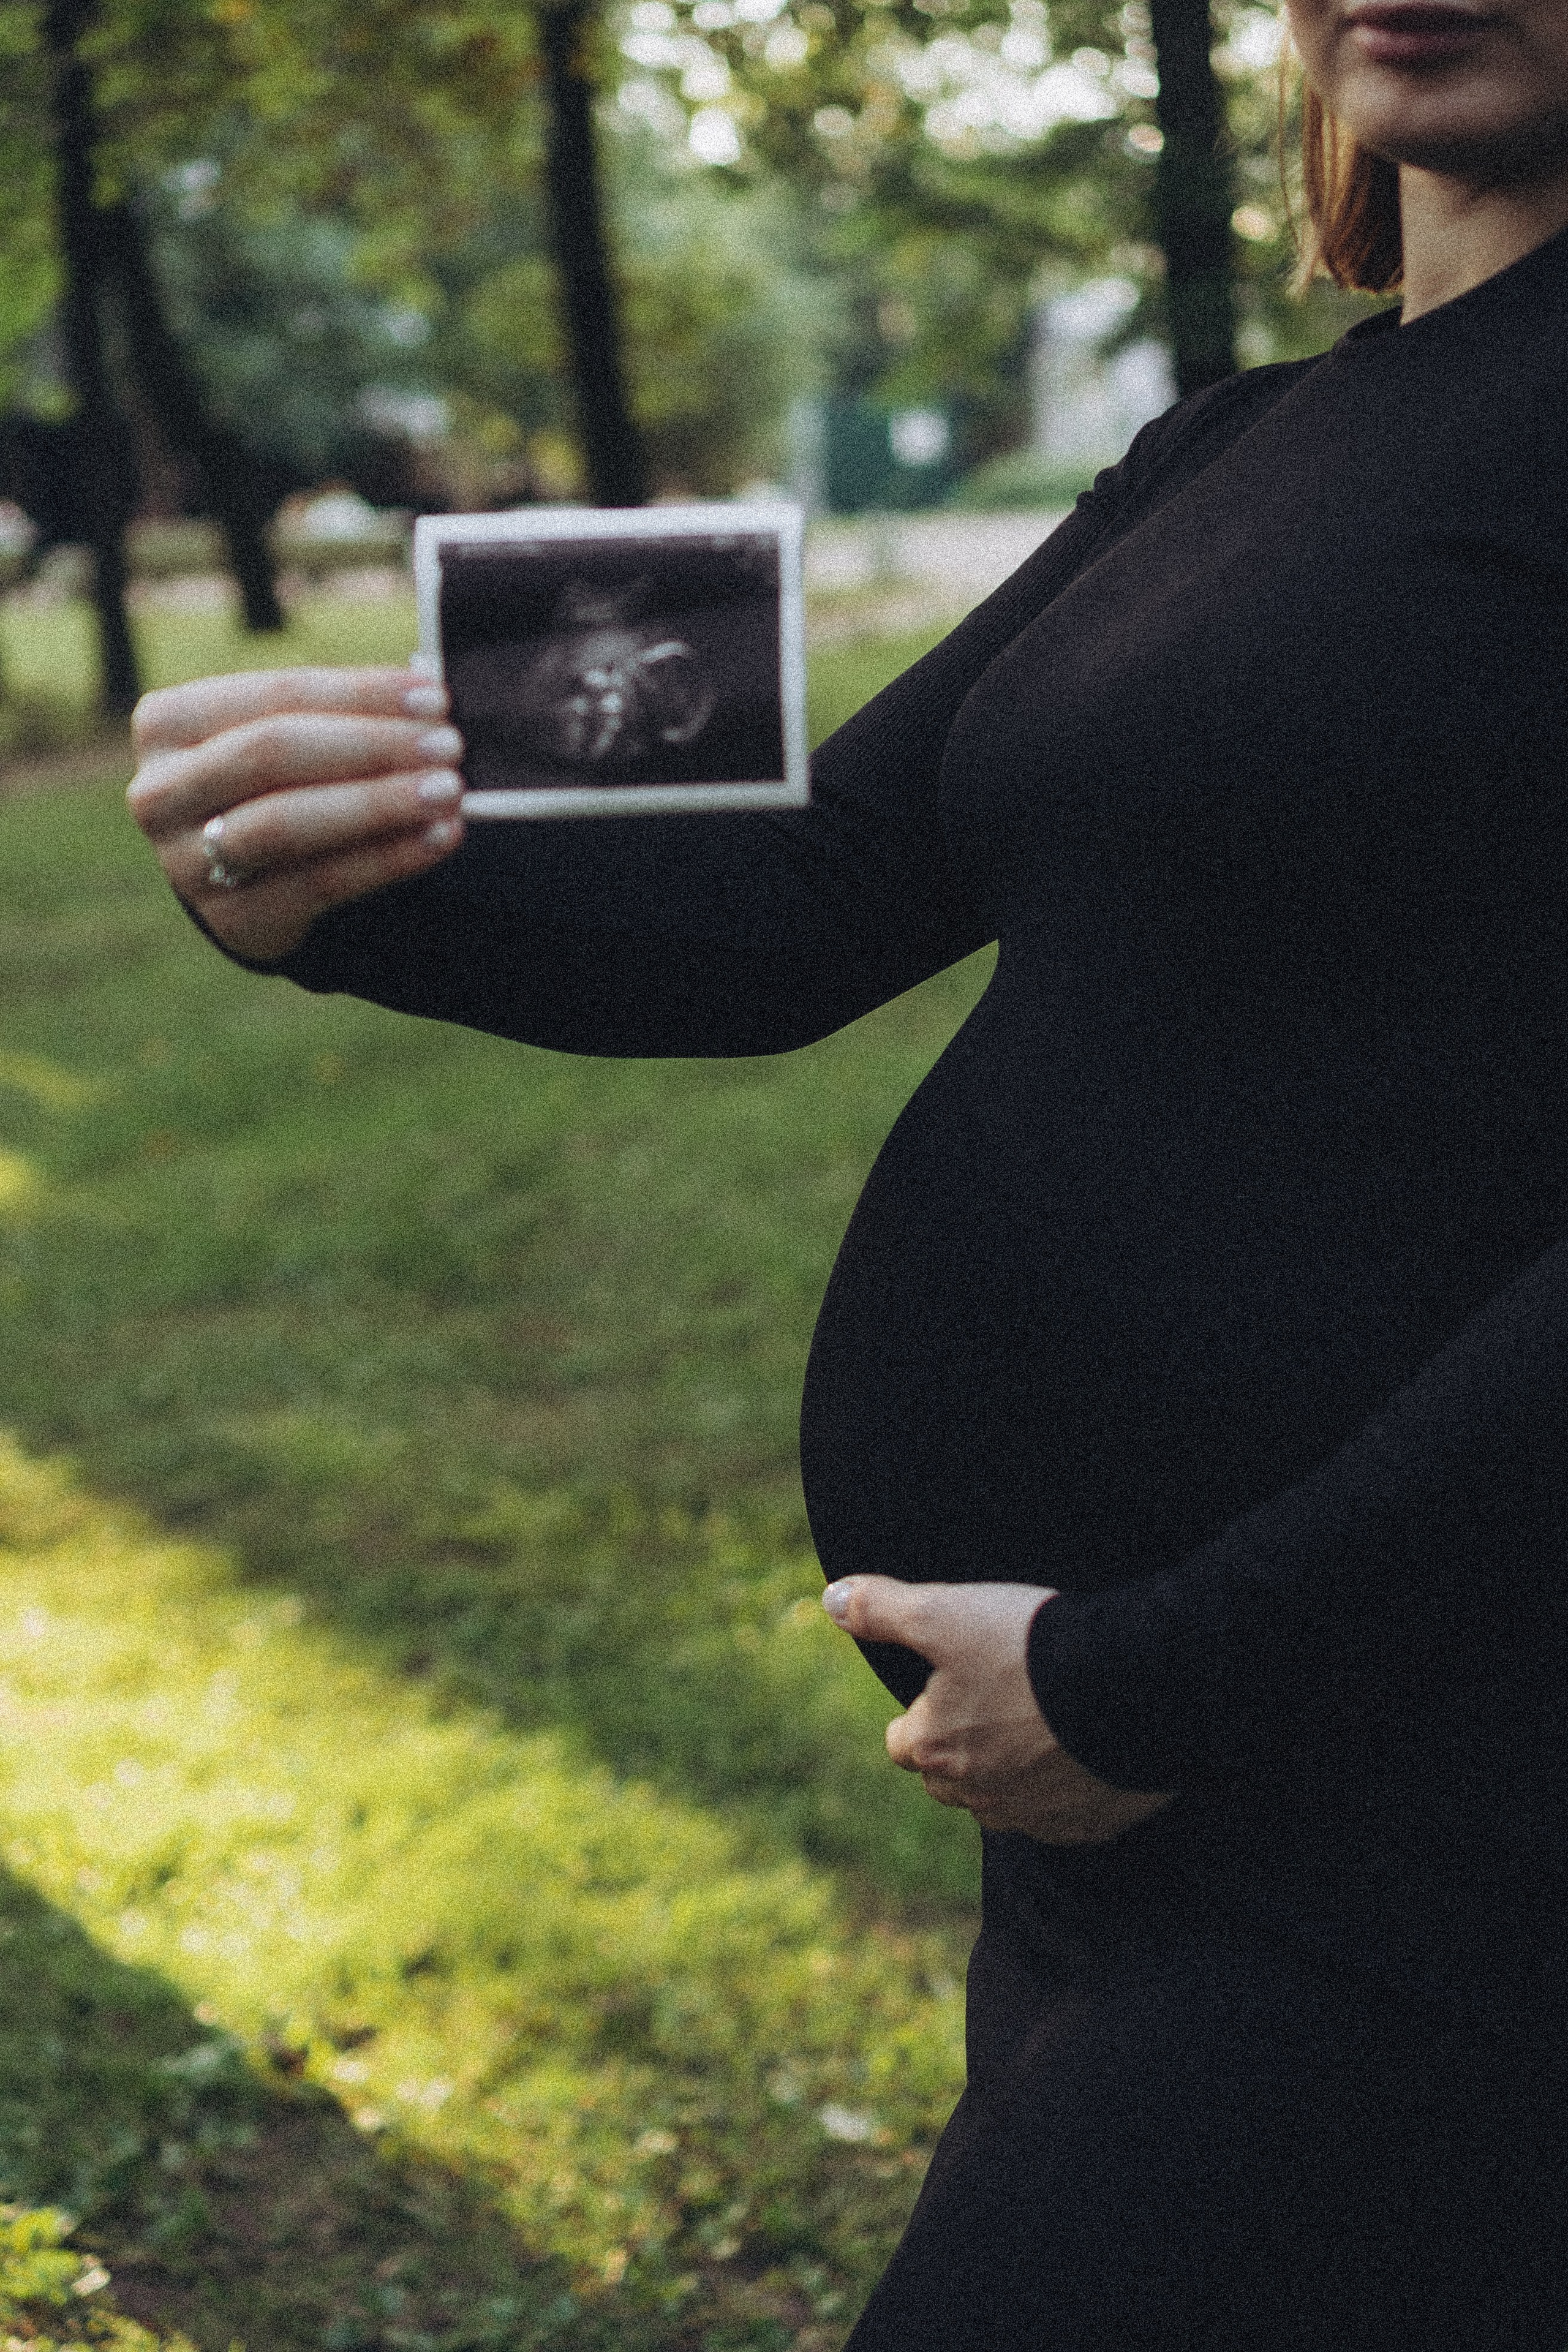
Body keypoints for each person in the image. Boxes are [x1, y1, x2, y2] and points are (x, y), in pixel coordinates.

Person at [128, 2, 1568, 2340]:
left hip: (1415, 1787)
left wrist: (1165, 1677)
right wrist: (325, 889)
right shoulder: (1240, 444)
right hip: (1126, 1797)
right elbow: (812, 895)